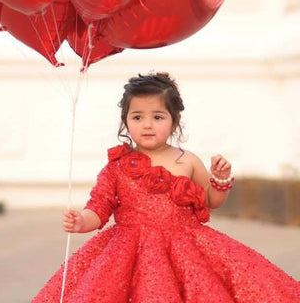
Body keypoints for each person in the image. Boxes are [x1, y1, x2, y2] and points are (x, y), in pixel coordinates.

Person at [30, 72, 300, 303]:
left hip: (186, 250)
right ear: (125, 121)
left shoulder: (187, 160)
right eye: (137, 117)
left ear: (174, 120)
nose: (147, 125)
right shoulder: (117, 166)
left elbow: (211, 201)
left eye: (158, 117)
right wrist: (82, 222)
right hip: (127, 252)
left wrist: (220, 180)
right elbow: (99, 207)